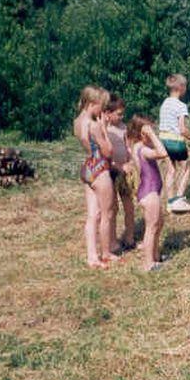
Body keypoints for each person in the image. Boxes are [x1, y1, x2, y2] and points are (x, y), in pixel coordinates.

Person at [73, 86, 117, 269]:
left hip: (88, 168)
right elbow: (108, 151)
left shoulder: (77, 121)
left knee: (93, 215)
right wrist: (104, 130)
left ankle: (92, 256)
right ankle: (106, 253)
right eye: (102, 106)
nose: (103, 110)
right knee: (107, 213)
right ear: (92, 104)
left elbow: (87, 144)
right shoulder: (94, 125)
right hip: (100, 169)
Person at [127, 115, 168, 271]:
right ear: (142, 133)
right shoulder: (142, 149)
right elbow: (162, 153)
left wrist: (149, 134)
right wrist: (151, 134)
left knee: (158, 224)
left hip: (152, 191)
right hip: (149, 193)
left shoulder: (138, 146)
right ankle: (148, 263)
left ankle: (155, 256)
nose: (153, 134)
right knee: (151, 228)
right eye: (150, 131)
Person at [159, 74, 190, 213]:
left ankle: (170, 202)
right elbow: (182, 129)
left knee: (171, 170)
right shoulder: (181, 106)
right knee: (186, 168)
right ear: (180, 88)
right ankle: (179, 199)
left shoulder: (164, 103)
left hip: (163, 140)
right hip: (176, 141)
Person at [105, 94, 135, 252]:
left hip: (124, 171)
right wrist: (116, 166)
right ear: (108, 113)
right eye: (118, 114)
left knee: (129, 205)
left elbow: (128, 147)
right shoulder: (105, 130)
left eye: (123, 113)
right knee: (112, 207)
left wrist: (130, 162)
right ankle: (112, 239)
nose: (122, 117)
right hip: (110, 172)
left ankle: (129, 237)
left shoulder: (124, 128)